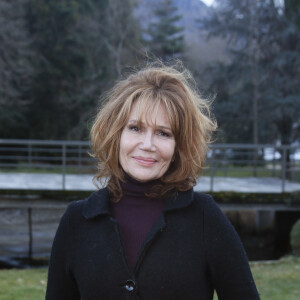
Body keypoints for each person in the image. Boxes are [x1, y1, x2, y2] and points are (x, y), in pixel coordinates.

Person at [45, 62, 260, 300]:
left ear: (179, 146)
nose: (148, 145)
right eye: (135, 128)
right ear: (115, 134)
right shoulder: (76, 222)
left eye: (163, 133)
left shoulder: (205, 218)